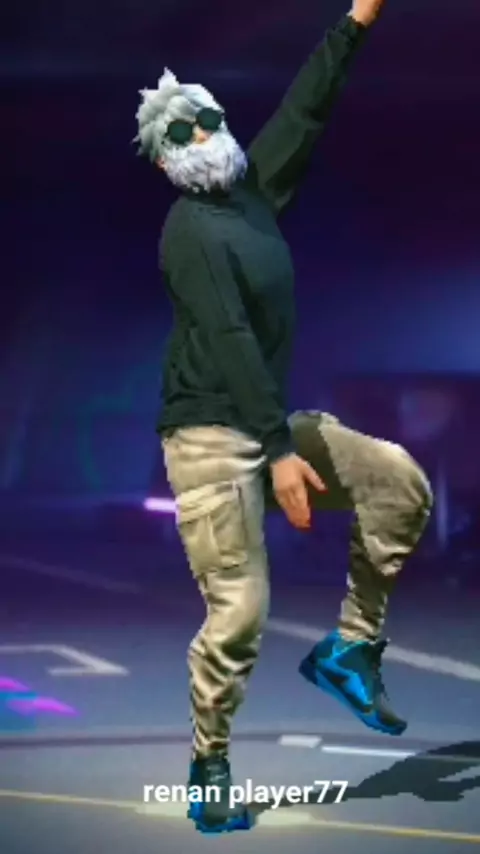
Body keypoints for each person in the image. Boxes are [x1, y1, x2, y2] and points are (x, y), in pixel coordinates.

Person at [135, 0, 433, 834]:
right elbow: (230, 337)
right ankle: (210, 765)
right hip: (209, 440)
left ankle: (350, 649)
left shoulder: (254, 194)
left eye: (204, 118)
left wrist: (356, 20)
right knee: (239, 613)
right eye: (179, 132)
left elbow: (306, 107)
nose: (199, 134)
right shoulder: (188, 232)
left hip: (263, 425)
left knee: (399, 483)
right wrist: (277, 451)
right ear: (162, 158)